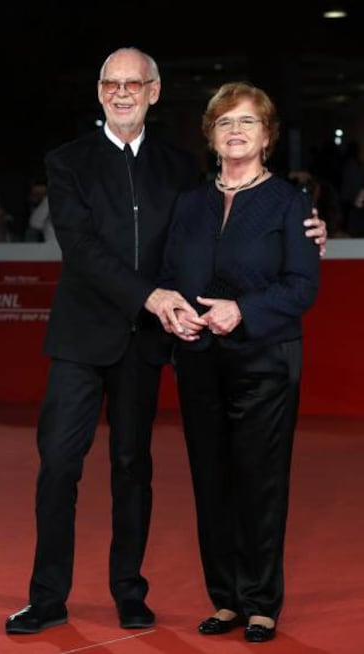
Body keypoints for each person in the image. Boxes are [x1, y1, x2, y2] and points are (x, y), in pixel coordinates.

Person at [5, 51, 326, 636]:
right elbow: (80, 250)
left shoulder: (181, 169)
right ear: (99, 91)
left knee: (134, 467)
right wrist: (153, 297)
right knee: (58, 465)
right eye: (111, 83)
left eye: (135, 83)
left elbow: (223, 226)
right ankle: (46, 595)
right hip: (83, 337)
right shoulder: (67, 161)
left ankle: (129, 591)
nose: (122, 93)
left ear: (154, 92)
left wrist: (308, 229)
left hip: (149, 344)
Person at [158, 81, 321, 643]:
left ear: (267, 136)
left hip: (264, 364)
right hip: (198, 360)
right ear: (210, 135)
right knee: (211, 482)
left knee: (259, 483)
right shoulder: (190, 204)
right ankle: (225, 599)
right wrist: (172, 310)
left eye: (248, 122)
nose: (235, 131)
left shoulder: (290, 204)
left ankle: (259, 602)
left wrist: (243, 312)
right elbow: (168, 274)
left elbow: (302, 287)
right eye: (225, 121)